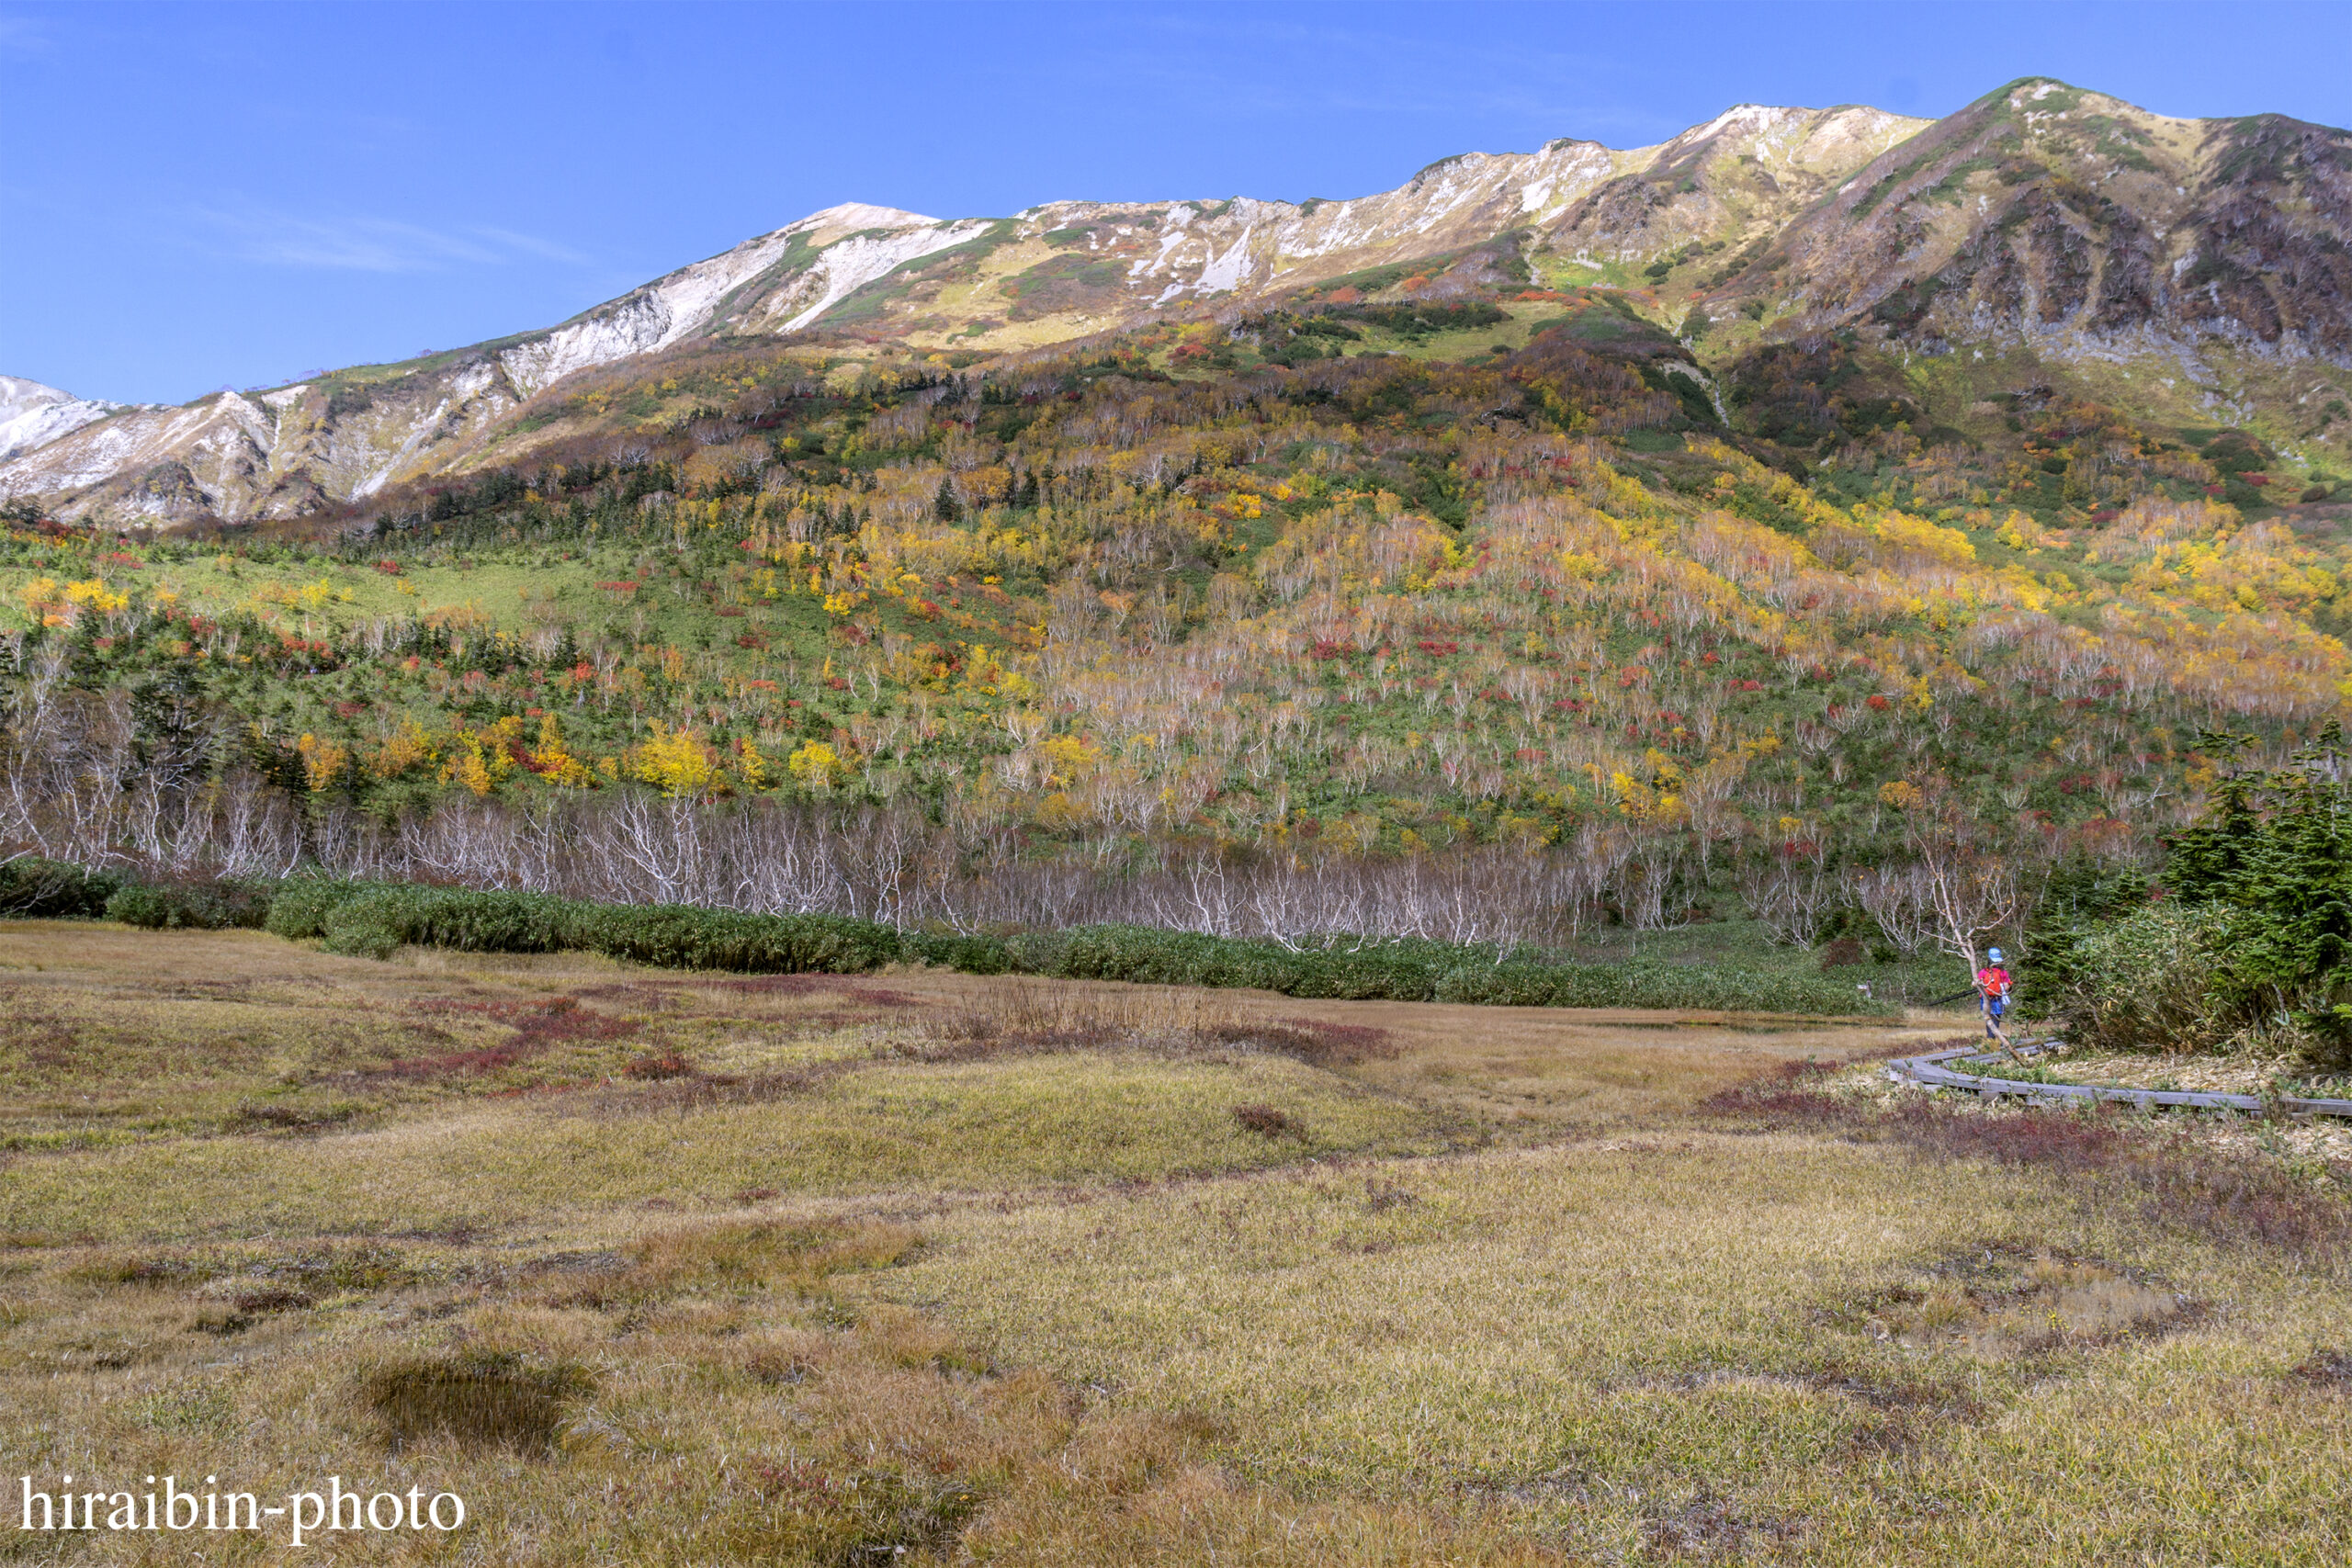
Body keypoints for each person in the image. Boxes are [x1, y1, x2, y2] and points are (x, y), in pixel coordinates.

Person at [1977, 947, 2018, 1062]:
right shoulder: (1994, 972)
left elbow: (2006, 984)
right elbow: (2006, 985)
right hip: (1991, 998)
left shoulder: (1992, 972)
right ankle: (1991, 1039)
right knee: (1992, 1018)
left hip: (1992, 998)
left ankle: (1991, 1038)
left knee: (1992, 1018)